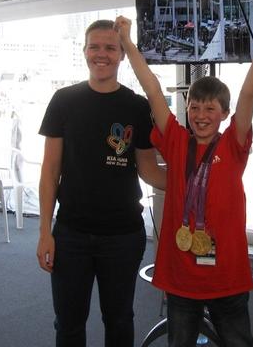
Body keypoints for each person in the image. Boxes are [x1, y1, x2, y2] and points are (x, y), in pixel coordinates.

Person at [115, 8, 253, 347]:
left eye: (210, 109)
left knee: (237, 341)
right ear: (187, 108)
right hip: (181, 275)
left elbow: (249, 92)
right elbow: (152, 89)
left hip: (226, 274)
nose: (201, 115)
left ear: (224, 114)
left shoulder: (234, 144)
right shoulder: (178, 141)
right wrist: (128, 45)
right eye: (194, 107)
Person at [36, 19, 166, 347]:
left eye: (110, 47)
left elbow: (148, 170)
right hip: (71, 235)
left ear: (123, 54)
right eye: (94, 46)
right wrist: (44, 233)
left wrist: (194, 184)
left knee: (120, 321)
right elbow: (50, 171)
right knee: (68, 323)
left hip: (122, 236)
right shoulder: (63, 100)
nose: (101, 54)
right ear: (84, 51)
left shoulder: (136, 106)